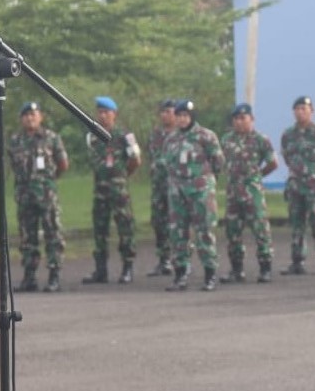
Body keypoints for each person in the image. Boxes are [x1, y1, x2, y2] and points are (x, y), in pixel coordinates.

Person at [7, 101, 68, 292]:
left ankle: (54, 276)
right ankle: (29, 277)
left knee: (53, 236)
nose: (30, 118)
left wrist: (48, 181)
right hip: (25, 196)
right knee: (27, 238)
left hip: (47, 195)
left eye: (34, 114)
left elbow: (63, 164)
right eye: (26, 115)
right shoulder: (15, 141)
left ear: (40, 117)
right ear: (21, 119)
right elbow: (13, 166)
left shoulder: (51, 138)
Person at [165, 99, 225, 291]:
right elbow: (167, 163)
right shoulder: (171, 139)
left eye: (185, 116)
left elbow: (218, 162)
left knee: (204, 232)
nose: (182, 120)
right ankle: (181, 275)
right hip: (177, 192)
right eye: (179, 116)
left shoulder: (206, 136)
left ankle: (210, 274)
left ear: (192, 117)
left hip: (200, 192)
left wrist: (205, 181)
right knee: (178, 233)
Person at [220, 103, 279, 283]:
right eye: (236, 119)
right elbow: (220, 161)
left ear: (251, 119)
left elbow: (273, 163)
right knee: (233, 232)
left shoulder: (261, 139)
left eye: (243, 118)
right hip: (233, 193)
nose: (239, 122)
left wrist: (258, 176)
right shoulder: (227, 140)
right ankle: (237, 270)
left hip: (252, 193)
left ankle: (265, 268)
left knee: (260, 230)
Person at [84, 96, 140, 284]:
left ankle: (127, 268)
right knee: (100, 230)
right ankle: (101, 270)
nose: (103, 116)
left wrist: (121, 177)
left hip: (119, 191)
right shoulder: (92, 135)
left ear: (114, 114)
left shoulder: (124, 135)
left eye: (106, 112)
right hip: (100, 190)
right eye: (100, 112)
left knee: (125, 228)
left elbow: (135, 161)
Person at [279, 95, 315, 276]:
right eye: (297, 109)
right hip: (296, 185)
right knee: (297, 223)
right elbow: (287, 158)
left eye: (304, 108)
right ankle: (297, 261)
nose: (300, 112)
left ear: (312, 111)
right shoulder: (288, 134)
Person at [146, 98, 177, 277]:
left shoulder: (181, 134)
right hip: (159, 186)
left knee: (179, 224)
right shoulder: (155, 135)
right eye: (163, 112)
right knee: (159, 222)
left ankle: (182, 260)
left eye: (170, 112)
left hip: (177, 186)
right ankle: (163, 260)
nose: (166, 115)